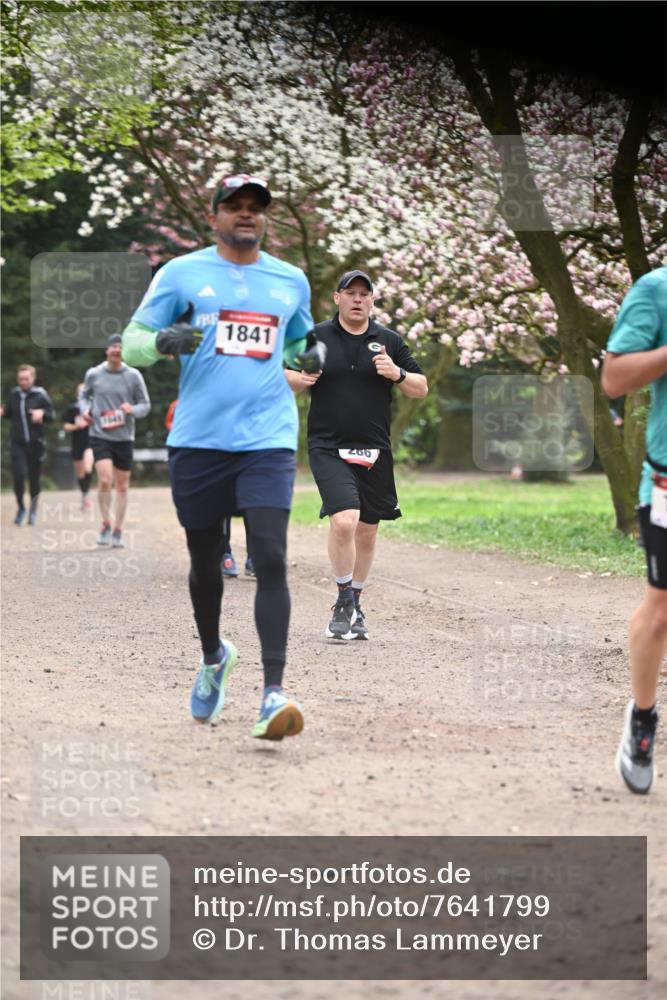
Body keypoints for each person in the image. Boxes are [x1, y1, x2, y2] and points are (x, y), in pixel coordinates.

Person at [121, 173, 313, 740]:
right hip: (199, 441)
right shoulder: (181, 273)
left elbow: (299, 342)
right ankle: (213, 656)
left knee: (270, 555)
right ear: (214, 218)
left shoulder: (290, 280)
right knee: (205, 561)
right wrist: (160, 342)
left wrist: (314, 354)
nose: (246, 214)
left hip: (268, 439)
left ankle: (273, 693)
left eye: (256, 207)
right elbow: (132, 341)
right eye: (234, 206)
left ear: (265, 218)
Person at [287, 270, 428, 640]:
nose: (357, 299)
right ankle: (343, 599)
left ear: (373, 300)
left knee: (366, 531)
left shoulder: (388, 340)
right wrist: (299, 379)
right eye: (350, 292)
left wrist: (397, 373)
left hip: (375, 448)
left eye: (364, 294)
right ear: (337, 298)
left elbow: (421, 387)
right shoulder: (315, 337)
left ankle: (356, 602)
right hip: (327, 446)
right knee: (344, 521)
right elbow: (278, 373)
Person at [602, 265, 667, 794]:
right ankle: (643, 719)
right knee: (662, 611)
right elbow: (615, 377)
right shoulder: (656, 290)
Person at [80, 334, 151, 548]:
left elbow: (145, 405)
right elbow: (84, 396)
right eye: (113, 347)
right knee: (104, 480)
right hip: (100, 434)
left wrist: (132, 409)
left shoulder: (133, 375)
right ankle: (105, 523)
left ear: (124, 351)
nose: (116, 350)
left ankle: (118, 529)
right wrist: (85, 410)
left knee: (122, 486)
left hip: (124, 437)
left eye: (120, 347)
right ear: (106, 350)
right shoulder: (94, 374)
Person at [0, 364, 54, 525]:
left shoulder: (40, 395)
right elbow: (9, 413)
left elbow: (52, 416)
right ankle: (21, 508)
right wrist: (3, 412)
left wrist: (42, 413)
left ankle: (33, 511)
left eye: (26, 379)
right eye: (20, 379)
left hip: (36, 444)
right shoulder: (14, 394)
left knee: (34, 479)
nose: (23, 382)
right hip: (18, 444)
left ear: (33, 379)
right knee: (18, 475)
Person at [63, 383, 94, 510]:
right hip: (76, 443)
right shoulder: (72, 409)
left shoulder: (94, 408)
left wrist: (90, 423)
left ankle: (86, 496)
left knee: (87, 467)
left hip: (90, 442)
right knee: (80, 473)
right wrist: (77, 426)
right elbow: (66, 426)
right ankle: (84, 496)